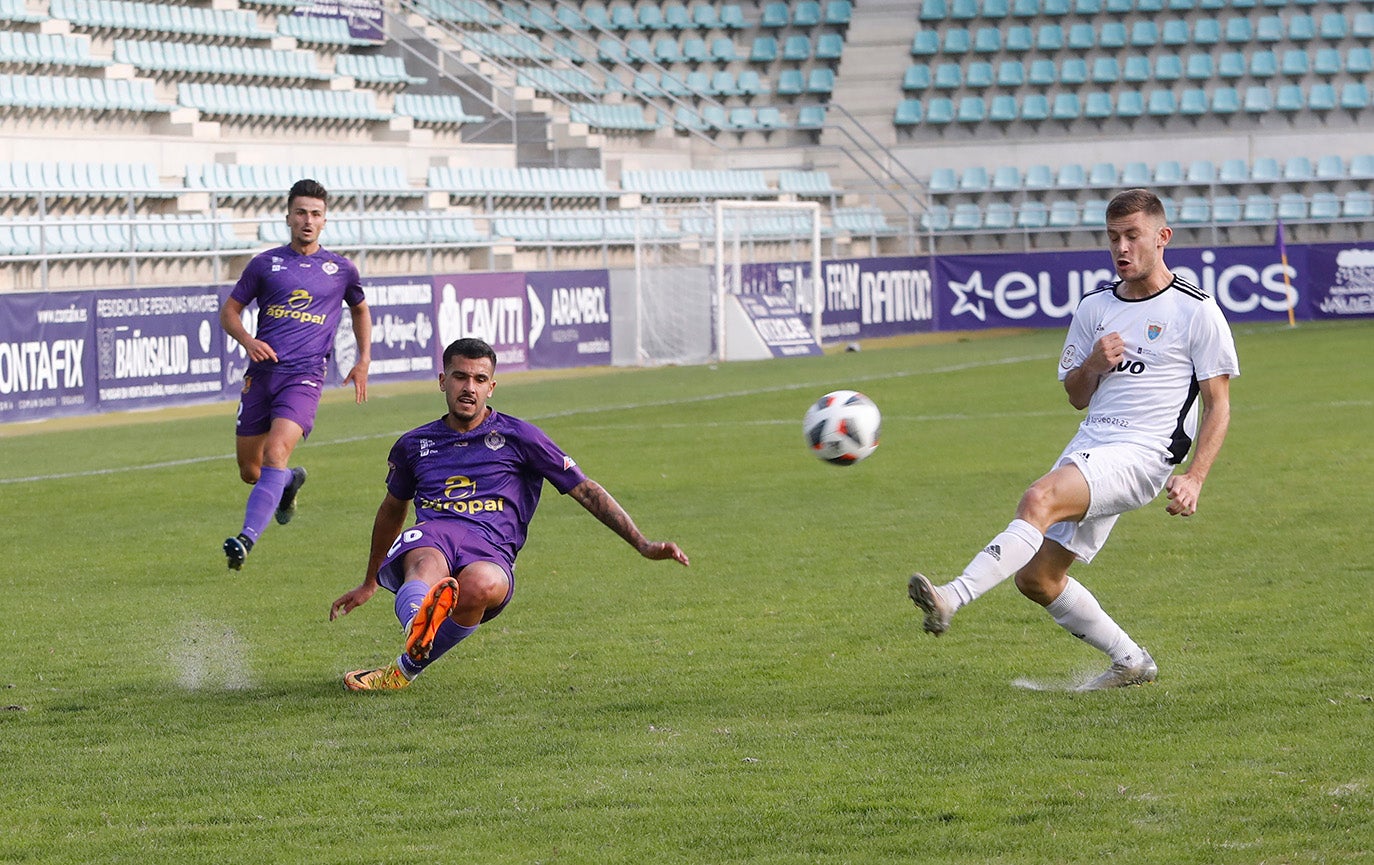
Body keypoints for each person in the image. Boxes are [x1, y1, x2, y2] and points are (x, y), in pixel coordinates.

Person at [907, 188, 1239, 690]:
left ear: (1162, 238)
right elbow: (1076, 396)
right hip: (1091, 445)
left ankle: (951, 596)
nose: (1122, 248)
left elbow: (1219, 404)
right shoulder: (1094, 308)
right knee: (1037, 579)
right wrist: (1092, 364)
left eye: (1133, 236)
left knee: (1038, 498)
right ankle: (1131, 661)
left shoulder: (1196, 311)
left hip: (1145, 456)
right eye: (1113, 239)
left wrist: (1195, 477)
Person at [330, 337, 690, 691]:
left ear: (492, 387)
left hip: (492, 549)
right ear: (443, 381)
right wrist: (369, 581)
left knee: (481, 587)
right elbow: (393, 508)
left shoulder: (521, 437)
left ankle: (404, 666)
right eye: (460, 377)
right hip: (435, 535)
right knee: (427, 563)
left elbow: (584, 489)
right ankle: (416, 628)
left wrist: (641, 543)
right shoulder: (414, 445)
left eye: (479, 379)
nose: (469, 387)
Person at [219, 179, 371, 570]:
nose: (308, 220)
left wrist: (363, 359)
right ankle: (288, 482)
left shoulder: (341, 269)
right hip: (261, 375)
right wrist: (249, 341)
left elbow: (360, 309)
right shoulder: (265, 264)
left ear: (324, 221)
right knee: (251, 471)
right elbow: (229, 312)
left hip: (303, 377)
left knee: (275, 452)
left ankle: (245, 540)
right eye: (301, 212)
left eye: (316, 214)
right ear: (288, 216)